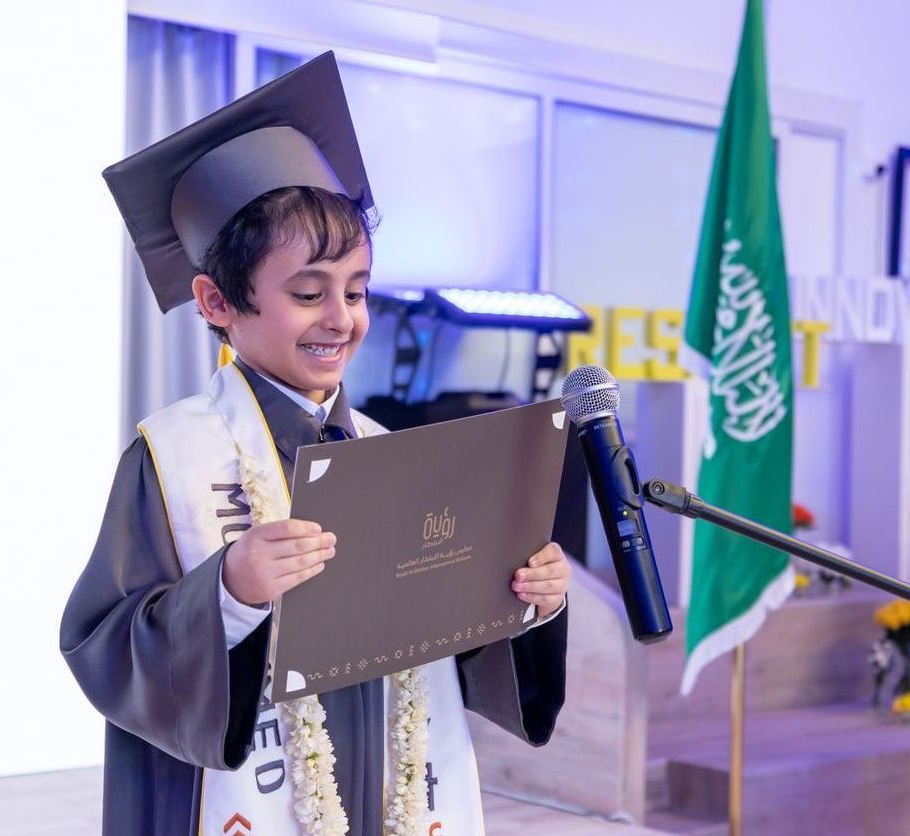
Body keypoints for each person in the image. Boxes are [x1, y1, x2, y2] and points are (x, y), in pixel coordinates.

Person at [60, 52, 571, 836]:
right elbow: (105, 646)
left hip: (388, 794)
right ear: (216, 300)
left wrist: (528, 604)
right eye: (308, 293)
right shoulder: (171, 459)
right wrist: (227, 591)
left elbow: (449, 634)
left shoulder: (388, 451)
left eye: (357, 290)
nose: (341, 317)